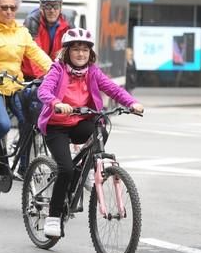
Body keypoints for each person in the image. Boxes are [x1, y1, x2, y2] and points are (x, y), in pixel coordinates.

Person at [36, 28, 144, 237]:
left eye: (85, 50)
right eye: (76, 49)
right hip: (56, 126)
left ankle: (82, 171)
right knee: (65, 169)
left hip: (79, 122)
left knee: (100, 127)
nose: (81, 54)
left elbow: (113, 89)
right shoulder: (58, 70)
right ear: (67, 52)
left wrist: (132, 103)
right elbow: (44, 91)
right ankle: (54, 216)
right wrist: (57, 103)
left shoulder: (92, 72)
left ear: (90, 53)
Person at [0, 0, 53, 178]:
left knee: (30, 123)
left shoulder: (22, 32)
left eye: (12, 8)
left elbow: (36, 53)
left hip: (14, 86)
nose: (9, 11)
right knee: (2, 124)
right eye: (4, 7)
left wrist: (55, 70)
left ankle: (24, 166)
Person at [21, 0, 71, 80]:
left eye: (55, 6)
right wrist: (45, 76)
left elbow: (71, 50)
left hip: (54, 74)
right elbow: (34, 53)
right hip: (32, 75)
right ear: (41, 7)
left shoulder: (67, 23)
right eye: (48, 6)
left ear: (60, 7)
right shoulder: (32, 21)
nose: (52, 11)